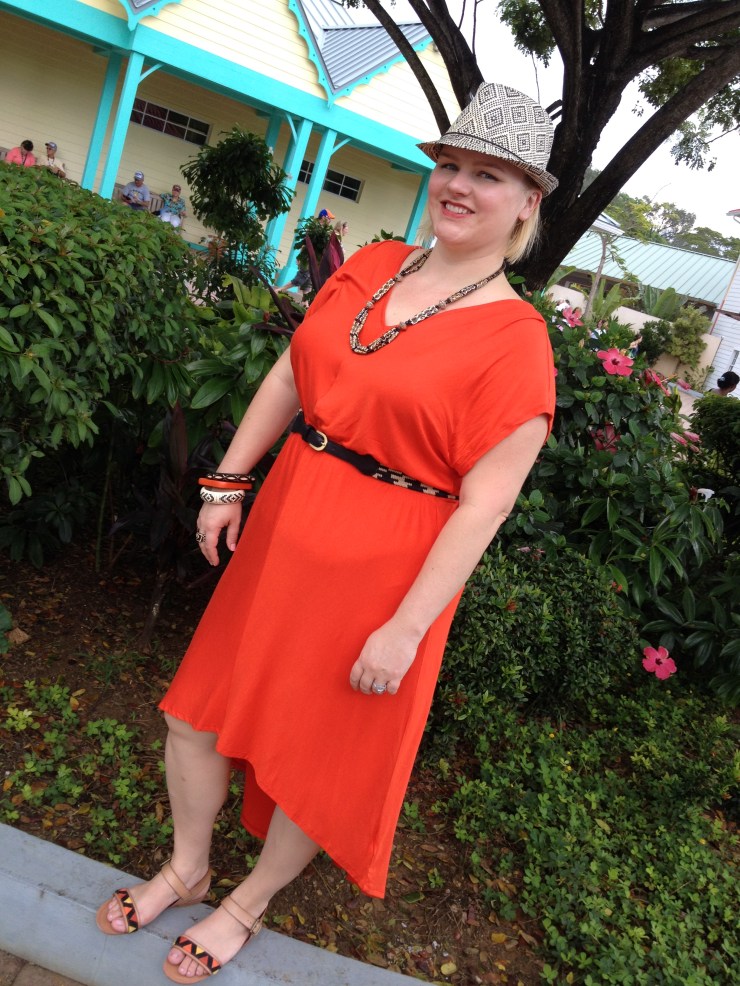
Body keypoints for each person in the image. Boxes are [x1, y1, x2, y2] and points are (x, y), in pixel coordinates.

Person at [95, 81, 558, 983]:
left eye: (488, 175)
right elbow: (289, 374)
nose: (459, 186)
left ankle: (245, 904)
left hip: (383, 573)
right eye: (451, 165)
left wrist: (407, 627)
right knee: (195, 715)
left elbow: (486, 504)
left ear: (526, 202)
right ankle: (188, 868)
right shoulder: (375, 263)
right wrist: (228, 480)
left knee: (315, 755)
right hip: (286, 526)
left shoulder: (518, 342)